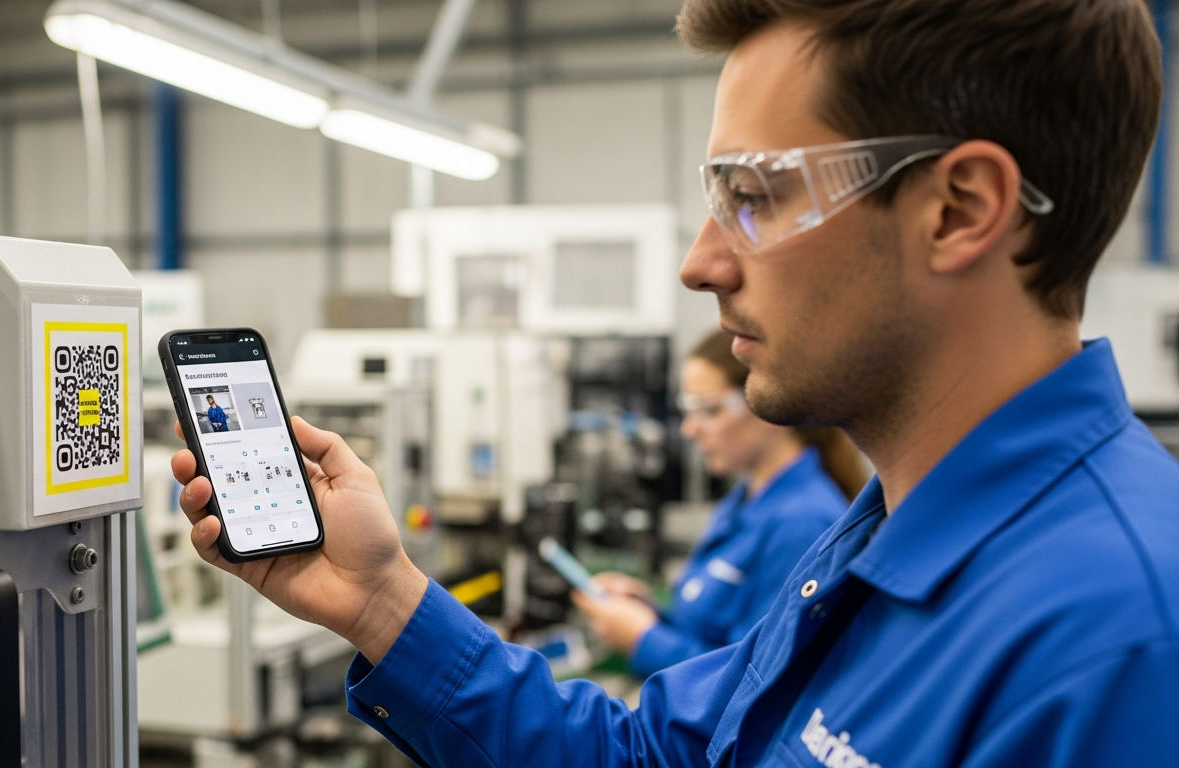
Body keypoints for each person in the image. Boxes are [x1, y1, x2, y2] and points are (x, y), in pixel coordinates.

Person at [170, 0, 1179, 764]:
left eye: (752, 196)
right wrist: (380, 601)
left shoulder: (1121, 646)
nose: (700, 263)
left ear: (959, 209)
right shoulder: (877, 537)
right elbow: (665, 756)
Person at [573, 331, 865, 678]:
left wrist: (643, 639)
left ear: (766, 401)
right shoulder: (745, 497)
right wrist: (649, 611)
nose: (690, 429)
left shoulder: (803, 524)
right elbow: (715, 634)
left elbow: (754, 681)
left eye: (709, 410)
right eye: (688, 410)